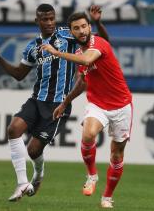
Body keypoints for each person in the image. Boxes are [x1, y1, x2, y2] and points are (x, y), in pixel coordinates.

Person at [0, 4, 109, 202]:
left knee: (33, 150)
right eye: (45, 19)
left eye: (52, 19)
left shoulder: (68, 35)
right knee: (13, 129)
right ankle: (22, 183)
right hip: (37, 99)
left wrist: (98, 23)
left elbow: (102, 43)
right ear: (37, 21)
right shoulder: (32, 47)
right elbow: (18, 74)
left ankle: (38, 175)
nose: (49, 23)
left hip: (59, 104)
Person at [40, 11, 133, 209]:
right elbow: (83, 82)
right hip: (98, 104)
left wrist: (56, 53)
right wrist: (65, 103)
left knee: (117, 155)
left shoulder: (97, 44)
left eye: (84, 26)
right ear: (71, 32)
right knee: (89, 133)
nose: (81, 31)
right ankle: (92, 175)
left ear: (90, 27)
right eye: (76, 28)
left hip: (122, 105)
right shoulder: (80, 53)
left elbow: (86, 61)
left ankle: (107, 197)